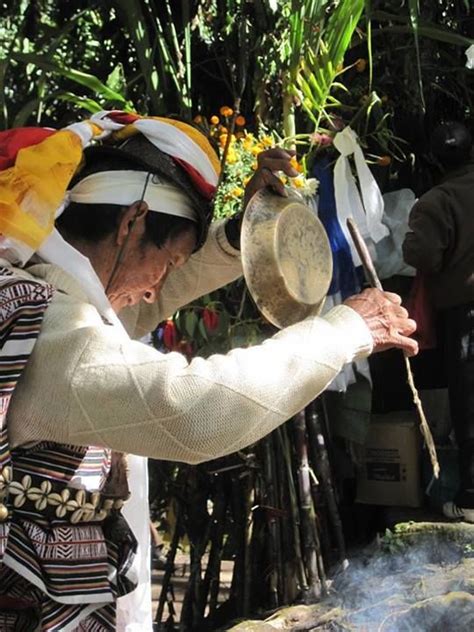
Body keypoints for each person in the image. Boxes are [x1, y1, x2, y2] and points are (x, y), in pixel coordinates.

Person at [0, 110, 417, 631]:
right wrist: (344, 330)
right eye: (169, 262)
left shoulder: (49, 290)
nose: (156, 291)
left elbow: (144, 302)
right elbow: (191, 411)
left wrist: (248, 232)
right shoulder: (50, 329)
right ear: (132, 222)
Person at [403, 120, 474, 524]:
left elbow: (423, 255)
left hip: (467, 314)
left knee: (470, 404)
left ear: (432, 159)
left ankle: (471, 498)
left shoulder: (438, 200)